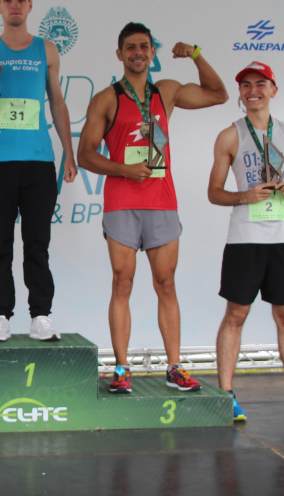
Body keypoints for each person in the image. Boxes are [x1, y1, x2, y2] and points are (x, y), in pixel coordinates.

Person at [77, 22, 228, 393]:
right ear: (119, 54)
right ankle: (123, 369)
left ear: (153, 52)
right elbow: (84, 154)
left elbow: (219, 94)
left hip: (161, 201)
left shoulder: (168, 92)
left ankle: (175, 367)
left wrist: (195, 54)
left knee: (166, 283)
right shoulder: (106, 98)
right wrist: (125, 169)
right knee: (122, 283)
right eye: (130, 47)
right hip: (122, 203)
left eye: (144, 46)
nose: (138, 52)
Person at [207, 61, 284, 421]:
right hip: (245, 239)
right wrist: (245, 196)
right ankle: (225, 395)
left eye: (260, 84)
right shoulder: (230, 135)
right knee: (236, 315)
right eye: (245, 85)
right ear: (240, 93)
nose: (252, 90)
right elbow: (214, 193)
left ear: (273, 89)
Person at [0, 0, 77, 342]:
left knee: (37, 242)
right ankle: (0, 316)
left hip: (39, 161)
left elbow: (57, 103)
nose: (15, 5)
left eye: (21, 0)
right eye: (8, 0)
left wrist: (69, 153)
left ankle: (40, 315)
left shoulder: (47, 50)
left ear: (30, 6)